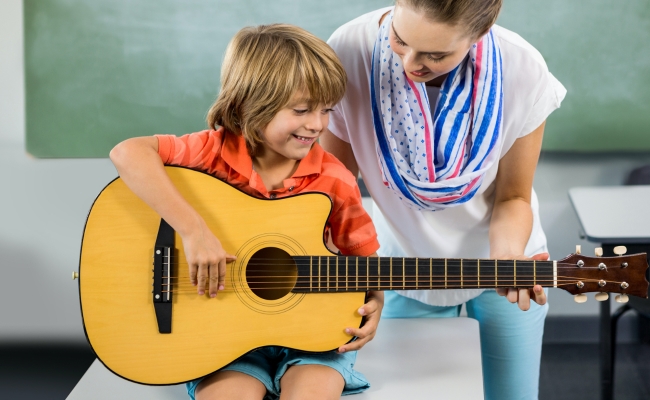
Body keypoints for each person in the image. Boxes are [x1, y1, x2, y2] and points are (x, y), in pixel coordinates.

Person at [109, 24, 381, 400]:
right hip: (221, 335)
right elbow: (127, 153)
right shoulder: (209, 152)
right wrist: (194, 232)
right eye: (301, 110)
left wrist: (376, 303)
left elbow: (365, 262)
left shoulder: (335, 179)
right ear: (248, 104)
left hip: (313, 339)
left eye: (325, 110)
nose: (317, 124)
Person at [321, 1, 567, 398]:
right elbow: (338, 190)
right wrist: (354, 274)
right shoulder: (350, 49)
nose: (410, 64)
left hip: (499, 261)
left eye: (436, 55)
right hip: (401, 268)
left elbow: (514, 197)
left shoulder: (522, 68)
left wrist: (507, 259)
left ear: (480, 34)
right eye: (401, 41)